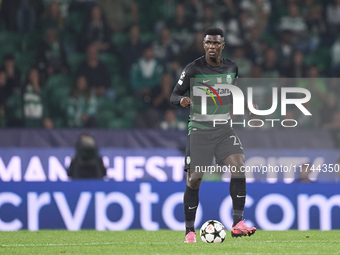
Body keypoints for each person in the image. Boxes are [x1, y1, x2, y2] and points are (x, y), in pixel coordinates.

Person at [170, 27, 256, 243]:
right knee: (195, 179)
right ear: (203, 44)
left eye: (216, 43)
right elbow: (174, 94)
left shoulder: (231, 68)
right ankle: (190, 230)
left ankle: (237, 223)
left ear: (222, 45)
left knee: (239, 165)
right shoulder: (193, 69)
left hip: (224, 129)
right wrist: (181, 100)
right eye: (208, 42)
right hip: (200, 130)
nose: (212, 46)